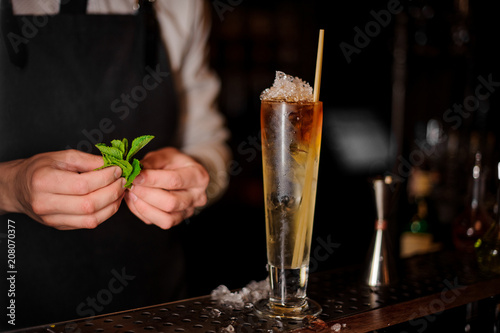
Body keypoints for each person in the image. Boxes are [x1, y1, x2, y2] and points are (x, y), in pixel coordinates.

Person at [0, 0, 230, 329]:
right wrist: (10, 186)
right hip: (16, 303)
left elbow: (210, 142)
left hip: (155, 306)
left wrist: (199, 176)